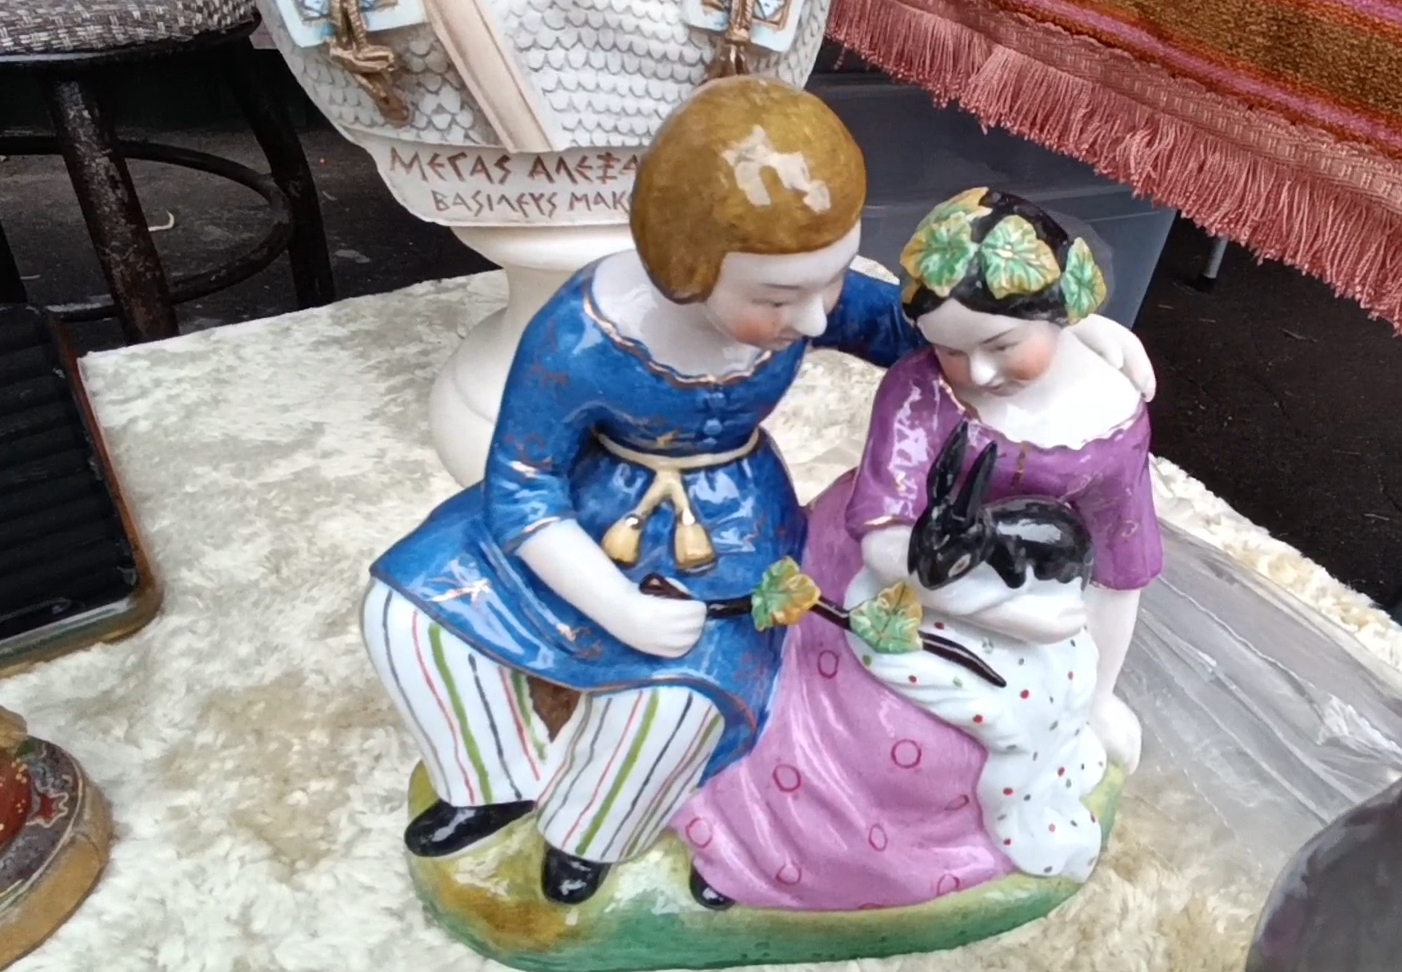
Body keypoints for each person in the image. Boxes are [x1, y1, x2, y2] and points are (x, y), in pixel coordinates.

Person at [359, 85, 1157, 909]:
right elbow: (523, 488)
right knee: (406, 611)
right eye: (776, 300)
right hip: (586, 510)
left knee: (678, 702)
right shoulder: (583, 334)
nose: (814, 320)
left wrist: (1062, 331)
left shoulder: (808, 298)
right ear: (684, 267)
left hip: (729, 529)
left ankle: (590, 835)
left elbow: (927, 328)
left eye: (833, 281)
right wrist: (614, 605)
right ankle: (491, 779)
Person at [673, 188, 1163, 910]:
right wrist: (1005, 614)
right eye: (952, 350)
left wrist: (1098, 697)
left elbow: (1124, 568)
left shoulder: (1111, 420)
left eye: (1002, 345)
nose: (979, 373)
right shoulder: (922, 390)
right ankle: (758, 847)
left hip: (1041, 605)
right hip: (894, 583)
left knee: (1001, 745)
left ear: (1061, 315)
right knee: (885, 745)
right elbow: (884, 539)